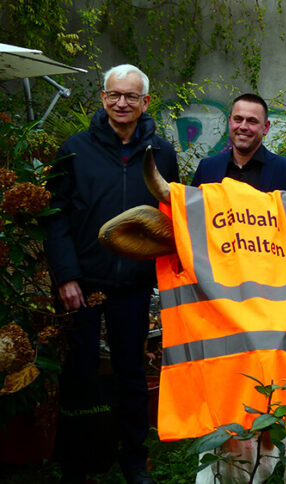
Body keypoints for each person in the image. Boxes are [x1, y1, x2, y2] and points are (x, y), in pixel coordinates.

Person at [45, 64, 179, 484]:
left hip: (134, 285)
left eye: (131, 96)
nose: (122, 103)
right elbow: (55, 216)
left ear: (145, 102)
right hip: (82, 283)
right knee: (80, 371)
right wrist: (66, 275)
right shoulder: (74, 149)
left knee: (131, 373)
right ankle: (77, 461)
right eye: (114, 95)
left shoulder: (161, 153)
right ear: (103, 98)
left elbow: (170, 218)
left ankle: (134, 459)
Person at [192, 93, 286, 191]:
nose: (243, 127)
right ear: (230, 122)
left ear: (266, 127)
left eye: (252, 121)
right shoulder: (207, 168)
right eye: (238, 119)